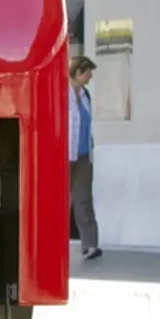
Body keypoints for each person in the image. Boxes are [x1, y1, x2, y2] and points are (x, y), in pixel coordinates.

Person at [67, 56, 102, 261]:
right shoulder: (62, 93)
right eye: (89, 72)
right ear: (79, 72)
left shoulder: (85, 94)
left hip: (83, 155)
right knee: (61, 200)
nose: (91, 77)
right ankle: (53, 243)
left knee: (83, 199)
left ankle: (90, 244)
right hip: (64, 154)